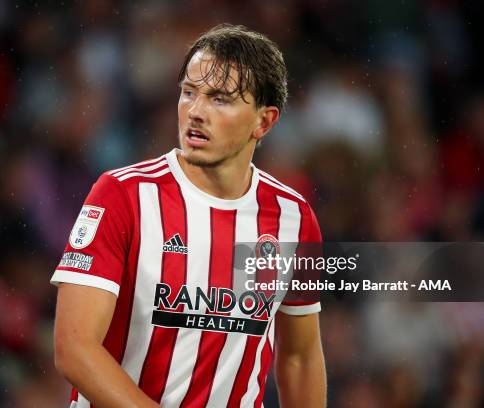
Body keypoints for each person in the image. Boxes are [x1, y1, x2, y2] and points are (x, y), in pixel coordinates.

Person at [52, 24, 326, 408]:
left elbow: (300, 357)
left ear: (264, 121)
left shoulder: (290, 217)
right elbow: (75, 348)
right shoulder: (125, 196)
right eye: (188, 93)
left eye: (220, 99)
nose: (196, 112)